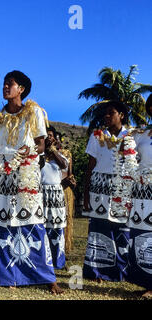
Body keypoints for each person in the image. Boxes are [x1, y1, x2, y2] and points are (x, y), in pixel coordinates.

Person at [0, 70, 63, 294]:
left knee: (31, 221)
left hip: (25, 172)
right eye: (4, 83)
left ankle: (47, 278)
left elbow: (41, 145)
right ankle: (5, 275)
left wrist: (27, 152)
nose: (5, 87)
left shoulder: (33, 112)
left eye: (10, 84)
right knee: (1, 221)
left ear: (21, 89)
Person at [82, 100, 131, 282]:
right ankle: (96, 271)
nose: (107, 116)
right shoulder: (97, 136)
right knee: (99, 228)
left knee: (121, 228)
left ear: (122, 115)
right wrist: (86, 193)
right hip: (99, 188)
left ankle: (122, 271)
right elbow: (90, 166)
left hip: (122, 188)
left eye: (111, 113)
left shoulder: (132, 137)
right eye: (106, 113)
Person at [127, 94, 152, 298]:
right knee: (143, 235)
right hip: (143, 191)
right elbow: (125, 155)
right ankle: (148, 283)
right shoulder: (140, 134)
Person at [41, 125, 68, 269]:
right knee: (42, 227)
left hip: (56, 194)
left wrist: (53, 152)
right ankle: (43, 260)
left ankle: (58, 262)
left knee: (56, 227)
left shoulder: (61, 157)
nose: (48, 138)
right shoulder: (38, 156)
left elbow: (64, 166)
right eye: (45, 135)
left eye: (50, 135)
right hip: (41, 193)